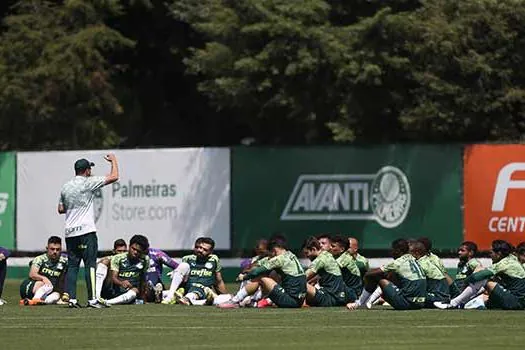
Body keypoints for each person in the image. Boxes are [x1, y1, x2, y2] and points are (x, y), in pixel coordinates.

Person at [58, 154, 119, 308]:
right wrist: (113, 160)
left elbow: (60, 209)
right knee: (90, 265)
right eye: (90, 168)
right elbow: (114, 176)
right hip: (86, 232)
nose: (91, 171)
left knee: (73, 266)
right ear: (86, 170)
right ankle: (92, 299)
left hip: (70, 232)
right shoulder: (88, 182)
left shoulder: (65, 186)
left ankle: (72, 299)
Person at [435, 240, 525, 310]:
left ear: (499, 254)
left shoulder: (505, 263)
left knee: (484, 279)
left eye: (491, 253)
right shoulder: (511, 259)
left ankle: (453, 303)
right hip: (516, 300)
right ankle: (461, 303)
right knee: (486, 295)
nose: (490, 255)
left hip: (515, 301)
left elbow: (478, 276)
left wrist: (467, 281)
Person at [218, 238, 306, 309]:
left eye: (270, 253)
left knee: (261, 278)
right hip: (300, 301)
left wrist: (244, 277)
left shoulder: (279, 259)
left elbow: (256, 272)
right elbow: (265, 261)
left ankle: (235, 301)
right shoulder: (291, 255)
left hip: (290, 301)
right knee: (274, 275)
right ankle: (257, 302)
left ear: (274, 251)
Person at [346, 238, 426, 311]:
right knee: (392, 276)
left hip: (406, 304)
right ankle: (368, 301)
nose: (391, 252)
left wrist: (366, 276)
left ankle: (360, 303)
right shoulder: (413, 259)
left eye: (393, 249)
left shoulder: (398, 262)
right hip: (420, 303)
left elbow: (372, 273)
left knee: (376, 276)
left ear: (398, 251)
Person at [162, 237, 228, 305]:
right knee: (162, 293)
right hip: (187, 289)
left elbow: (218, 281)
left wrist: (224, 296)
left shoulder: (214, 260)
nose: (200, 250)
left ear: (210, 252)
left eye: (205, 249)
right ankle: (172, 296)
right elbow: (183, 278)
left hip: (204, 290)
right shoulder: (187, 259)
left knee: (228, 298)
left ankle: (185, 299)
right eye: (198, 247)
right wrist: (176, 274)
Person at [98, 235, 150, 306]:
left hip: (131, 291)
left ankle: (107, 302)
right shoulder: (118, 258)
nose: (135, 252)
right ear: (129, 246)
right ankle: (97, 297)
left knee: (135, 291)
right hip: (114, 289)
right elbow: (114, 278)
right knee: (104, 262)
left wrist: (143, 298)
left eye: (138, 251)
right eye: (133, 249)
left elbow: (143, 279)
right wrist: (121, 283)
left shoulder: (145, 260)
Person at [303, 237, 352, 307]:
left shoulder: (320, 260)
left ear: (313, 249)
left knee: (299, 283)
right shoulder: (327, 255)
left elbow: (303, 278)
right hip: (340, 298)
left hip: (329, 298)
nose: (306, 256)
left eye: (306, 253)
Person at [19, 236, 68, 305]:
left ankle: (32, 302)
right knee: (48, 285)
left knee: (56, 295)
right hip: (30, 287)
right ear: (47, 249)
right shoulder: (40, 259)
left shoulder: (64, 261)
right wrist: (44, 278)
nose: (55, 252)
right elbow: (32, 274)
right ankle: (36, 299)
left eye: (57, 249)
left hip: (47, 291)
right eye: (52, 249)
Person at [411, 240, 450, 307]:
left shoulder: (420, 264)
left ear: (417, 253)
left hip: (437, 296)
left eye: (410, 252)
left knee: (410, 295)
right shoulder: (427, 260)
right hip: (442, 294)